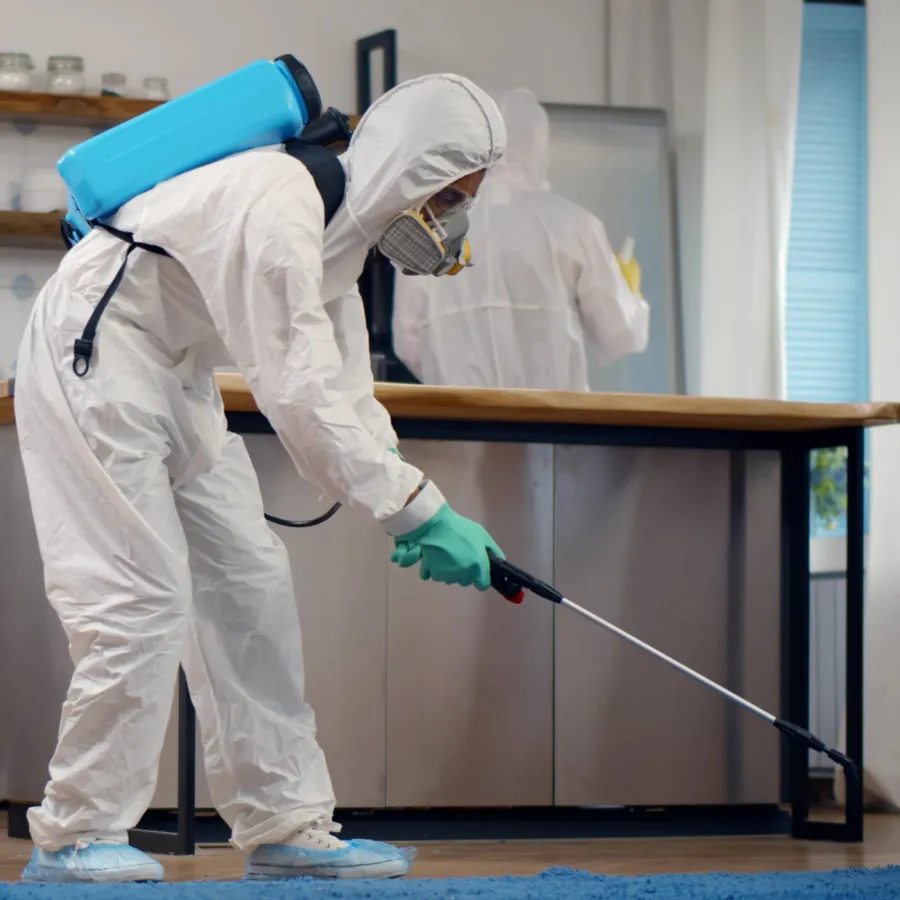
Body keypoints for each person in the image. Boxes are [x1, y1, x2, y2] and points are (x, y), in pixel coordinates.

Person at [14, 73, 506, 884]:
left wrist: (417, 499)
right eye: (451, 195)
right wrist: (413, 512)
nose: (450, 219)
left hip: (171, 373)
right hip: (95, 347)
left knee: (249, 584)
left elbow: (344, 390)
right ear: (410, 168)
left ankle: (285, 823)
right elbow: (298, 392)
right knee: (139, 596)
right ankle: (76, 832)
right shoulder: (280, 203)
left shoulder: (336, 236)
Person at [392, 87, 650, 391]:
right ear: (537, 143)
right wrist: (631, 294)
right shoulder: (574, 225)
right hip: (550, 425)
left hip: (459, 424)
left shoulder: (431, 228)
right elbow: (620, 336)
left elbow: (409, 345)